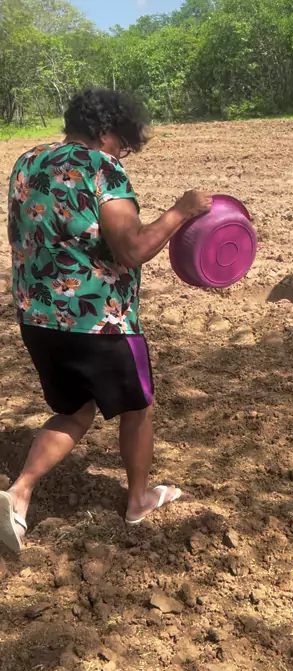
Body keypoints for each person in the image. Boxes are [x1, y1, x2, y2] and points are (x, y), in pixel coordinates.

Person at [0, 88, 212, 554]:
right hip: (98, 320)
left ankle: (17, 496)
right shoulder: (101, 166)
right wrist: (181, 211)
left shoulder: (28, 161)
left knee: (76, 409)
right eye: (123, 141)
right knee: (138, 409)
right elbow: (132, 249)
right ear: (105, 129)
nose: (124, 152)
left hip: (37, 316)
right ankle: (138, 500)